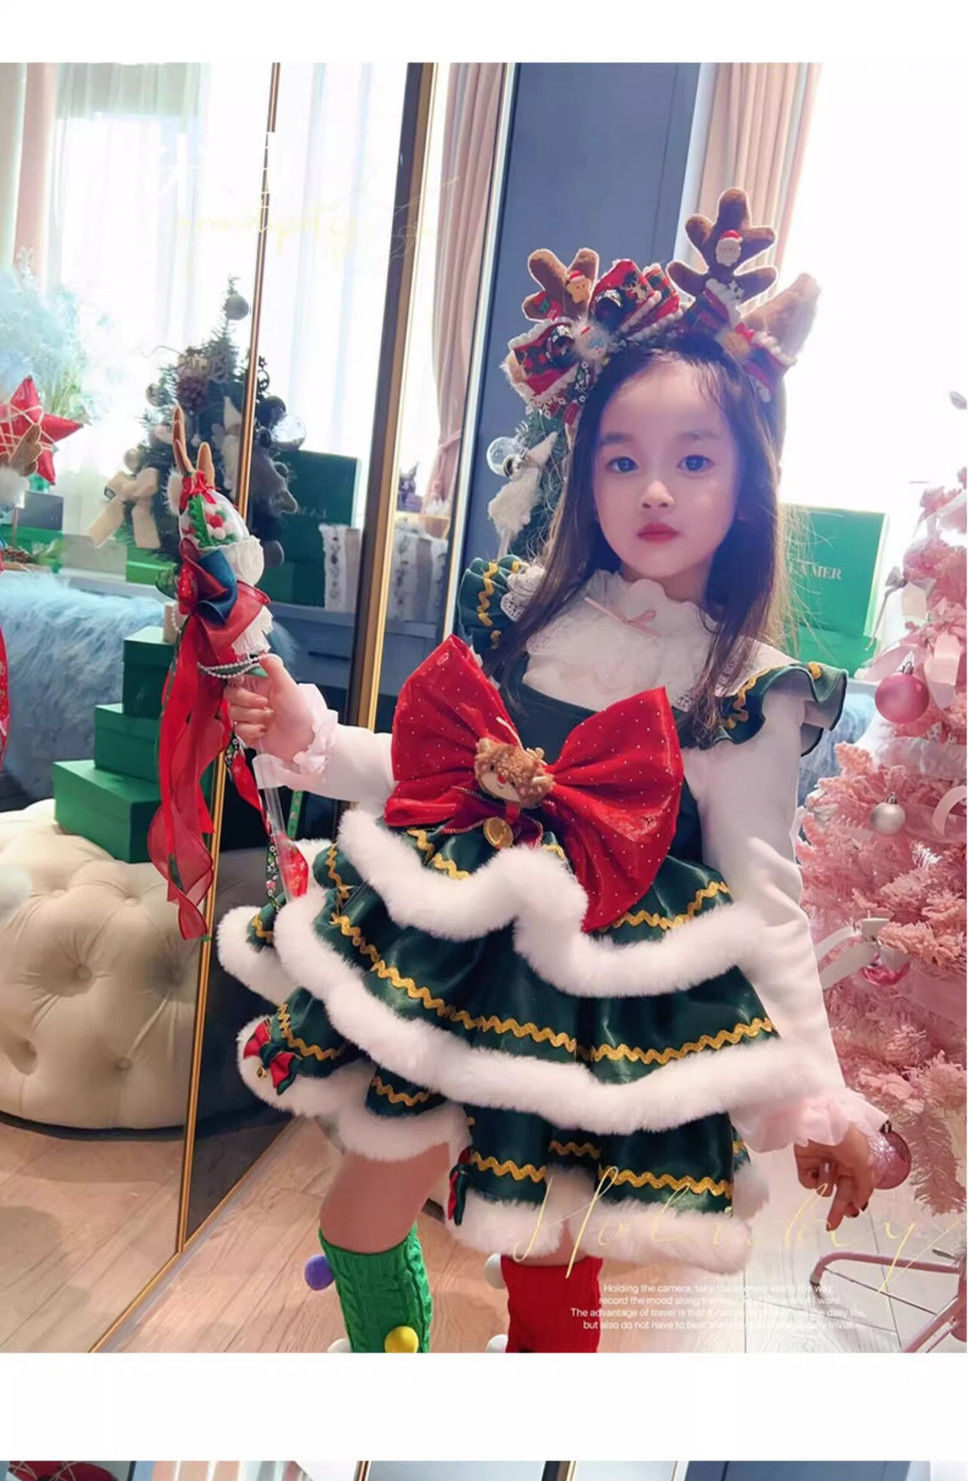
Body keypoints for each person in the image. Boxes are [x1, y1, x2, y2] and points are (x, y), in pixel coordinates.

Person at [218, 189, 892, 1354]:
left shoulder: (748, 687)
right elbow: (436, 773)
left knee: (545, 1257)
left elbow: (767, 901)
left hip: (606, 1010)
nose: (654, 490)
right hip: (453, 958)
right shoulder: (524, 611)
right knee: (361, 1211)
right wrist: (304, 735)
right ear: (586, 474)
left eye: (692, 459)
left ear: (747, 482)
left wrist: (818, 1097)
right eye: (622, 460)